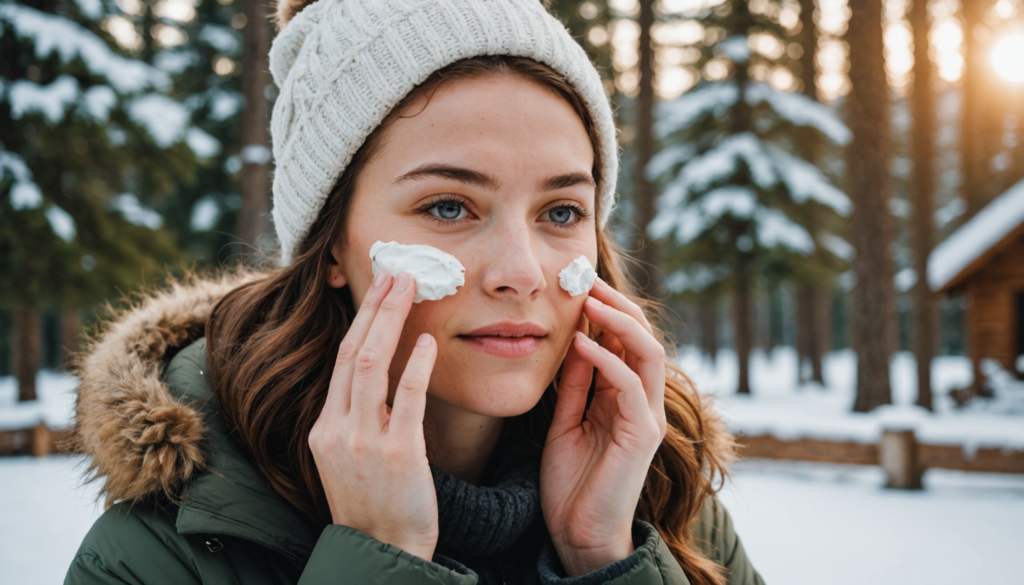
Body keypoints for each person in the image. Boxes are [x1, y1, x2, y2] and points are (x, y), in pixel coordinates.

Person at [65, 0, 764, 583]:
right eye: (448, 207)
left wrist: (603, 555)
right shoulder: (162, 553)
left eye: (560, 213)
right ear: (331, 244)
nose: (521, 271)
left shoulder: (662, 500)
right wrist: (378, 560)